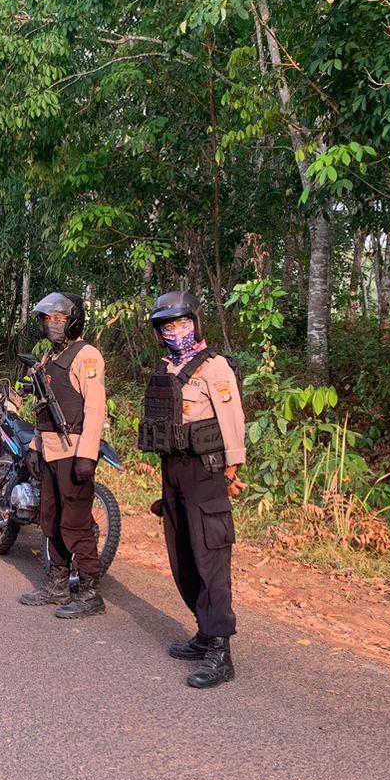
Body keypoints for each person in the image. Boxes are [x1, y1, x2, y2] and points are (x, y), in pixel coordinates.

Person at [137, 290, 246, 688]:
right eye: (168, 326)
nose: (175, 332)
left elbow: (231, 416)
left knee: (211, 558)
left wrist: (233, 467)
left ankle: (221, 650)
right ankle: (203, 631)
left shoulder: (214, 367)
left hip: (206, 470)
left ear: (196, 323)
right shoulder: (168, 366)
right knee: (181, 554)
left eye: (182, 324)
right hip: (173, 470)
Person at [19, 292, 109, 618]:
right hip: (49, 451)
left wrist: (88, 454)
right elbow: (41, 410)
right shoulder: (48, 359)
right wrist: (33, 447)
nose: (53, 325)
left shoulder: (86, 356)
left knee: (76, 524)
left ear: (73, 320)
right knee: (51, 520)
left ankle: (89, 592)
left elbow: (95, 407)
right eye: (48, 319)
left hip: (74, 451)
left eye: (59, 318)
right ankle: (57, 585)